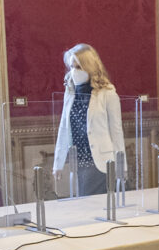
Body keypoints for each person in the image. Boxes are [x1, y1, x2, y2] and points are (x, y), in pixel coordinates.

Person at [53, 43, 124, 196]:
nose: (73, 72)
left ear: (89, 67)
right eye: (71, 67)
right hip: (77, 163)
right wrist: (57, 163)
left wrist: (121, 167)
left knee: (93, 205)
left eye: (78, 67)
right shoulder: (71, 93)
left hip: (100, 162)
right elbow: (64, 128)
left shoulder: (107, 93)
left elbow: (116, 131)